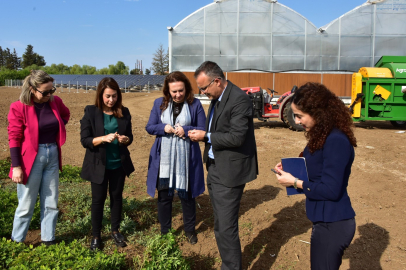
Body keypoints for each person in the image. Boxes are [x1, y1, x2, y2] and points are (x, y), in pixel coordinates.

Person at [274, 82, 357, 270]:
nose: (296, 121)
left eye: (299, 116)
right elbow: (316, 165)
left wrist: (294, 182)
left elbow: (331, 189)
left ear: (318, 113)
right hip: (323, 220)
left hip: (333, 223)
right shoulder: (323, 134)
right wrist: (290, 168)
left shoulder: (336, 140)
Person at [189, 61, 258, 270]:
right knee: (221, 223)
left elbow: (237, 137)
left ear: (217, 81)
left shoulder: (239, 100)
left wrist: (205, 136)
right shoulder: (217, 97)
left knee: (226, 227)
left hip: (230, 172)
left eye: (204, 88)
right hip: (216, 167)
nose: (202, 92)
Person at [8, 70, 70, 246]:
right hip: (30, 159)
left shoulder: (55, 102)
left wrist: (58, 127)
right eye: (45, 92)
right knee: (26, 202)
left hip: (52, 154)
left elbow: (65, 115)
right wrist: (16, 166)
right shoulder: (19, 107)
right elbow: (14, 137)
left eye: (52, 90)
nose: (50, 95)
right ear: (32, 89)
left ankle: (48, 239)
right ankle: (17, 241)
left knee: (51, 200)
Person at [146, 71, 206, 244]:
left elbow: (202, 128)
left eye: (181, 90)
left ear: (186, 88)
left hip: (186, 159)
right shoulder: (159, 104)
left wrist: (186, 131)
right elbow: (150, 127)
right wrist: (162, 128)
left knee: (187, 196)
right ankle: (165, 231)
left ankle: (189, 230)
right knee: (164, 196)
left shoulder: (195, 105)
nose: (178, 94)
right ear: (168, 91)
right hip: (164, 159)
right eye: (174, 91)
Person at [80, 77, 134, 250]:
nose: (111, 100)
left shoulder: (124, 112)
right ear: (100, 95)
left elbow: (130, 137)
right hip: (98, 165)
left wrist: (125, 140)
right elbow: (85, 140)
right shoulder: (91, 112)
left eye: (115, 96)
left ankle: (115, 231)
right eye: (108, 96)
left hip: (118, 164)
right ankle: (96, 235)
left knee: (116, 198)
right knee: (98, 200)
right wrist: (102, 138)